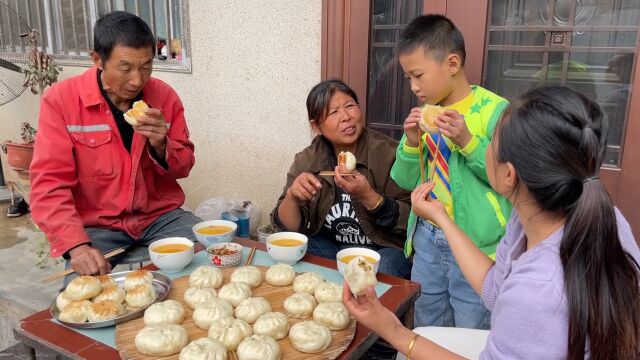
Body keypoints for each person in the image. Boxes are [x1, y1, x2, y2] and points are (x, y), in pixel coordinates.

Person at [343, 85, 640, 359]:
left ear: (509, 174)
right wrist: (443, 219)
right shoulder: (583, 215)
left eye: (490, 142)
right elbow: (496, 286)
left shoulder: (539, 292)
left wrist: (392, 330)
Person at [29, 11, 201, 278]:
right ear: (97, 59)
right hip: (98, 225)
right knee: (83, 303)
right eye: (125, 68)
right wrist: (76, 245)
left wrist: (161, 145)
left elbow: (184, 166)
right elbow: (49, 182)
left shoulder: (164, 97)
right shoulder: (62, 101)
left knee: (213, 256)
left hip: (159, 217)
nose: (136, 79)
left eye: (146, 67)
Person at [390, 14, 511, 329]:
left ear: (452, 63)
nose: (414, 87)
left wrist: (468, 142)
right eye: (408, 79)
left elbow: (507, 181)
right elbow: (403, 181)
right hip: (428, 237)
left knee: (472, 322)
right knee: (429, 319)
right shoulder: (423, 116)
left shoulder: (493, 111)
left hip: (476, 243)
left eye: (418, 75)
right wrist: (413, 143)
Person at [271, 79, 412, 279]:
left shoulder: (389, 154)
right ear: (316, 126)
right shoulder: (309, 159)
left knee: (388, 265)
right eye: (333, 112)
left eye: (350, 106)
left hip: (382, 249)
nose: (346, 117)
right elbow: (288, 228)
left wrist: (371, 198)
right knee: (295, 249)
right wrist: (293, 197)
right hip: (332, 247)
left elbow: (414, 221)